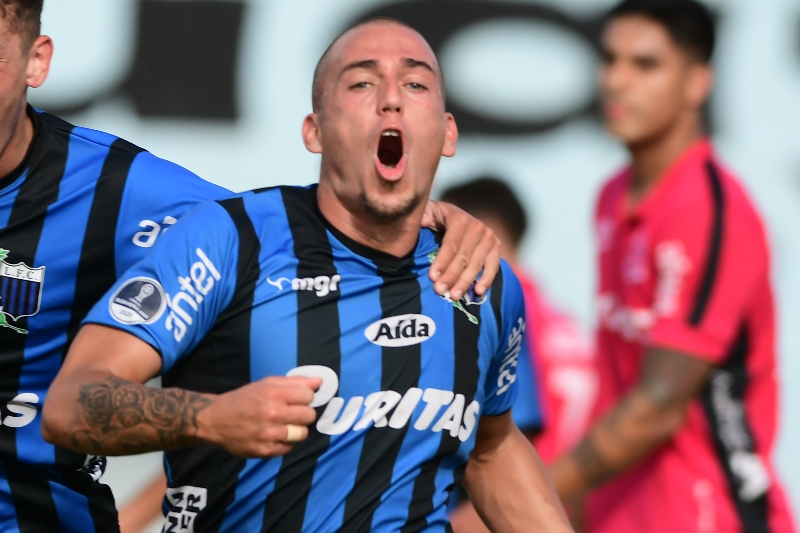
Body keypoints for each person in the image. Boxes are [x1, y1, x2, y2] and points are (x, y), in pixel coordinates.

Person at [42, 18, 574, 533]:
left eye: (415, 84)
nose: (391, 98)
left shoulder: (484, 280)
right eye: (362, 82)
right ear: (314, 131)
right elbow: (69, 405)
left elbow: (491, 447)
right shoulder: (231, 240)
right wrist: (210, 418)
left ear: (448, 132)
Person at [546, 1, 797, 532]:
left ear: (697, 82)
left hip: (710, 515)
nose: (616, 80)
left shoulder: (710, 211)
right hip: (621, 514)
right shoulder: (613, 197)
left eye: (645, 65)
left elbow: (656, 406)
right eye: (609, 59)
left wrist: (519, 500)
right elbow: (618, 379)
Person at [441, 177, 597, 533]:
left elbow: (503, 446)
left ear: (481, 231)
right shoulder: (557, 318)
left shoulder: (493, 309)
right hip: (563, 510)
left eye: (442, 230)